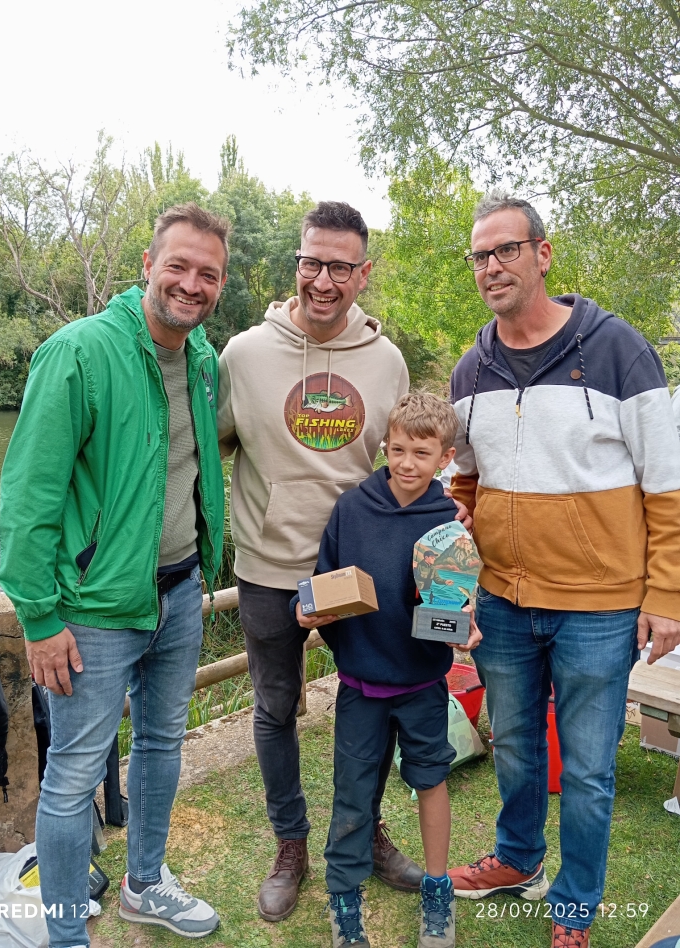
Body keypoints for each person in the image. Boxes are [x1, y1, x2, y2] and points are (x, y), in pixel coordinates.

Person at [217, 201, 471, 921]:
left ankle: (371, 832)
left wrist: (441, 530)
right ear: (296, 262)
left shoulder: (385, 360)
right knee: (275, 708)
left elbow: (406, 459)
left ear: (363, 274)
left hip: (367, 573)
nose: (322, 281)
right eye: (310, 262)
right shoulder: (243, 353)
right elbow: (210, 449)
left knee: (375, 699)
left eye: (339, 267)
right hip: (271, 569)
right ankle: (291, 845)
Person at [447, 190, 680, 948]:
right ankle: (517, 859)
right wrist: (457, 551)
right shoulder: (469, 370)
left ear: (543, 254)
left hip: (599, 605)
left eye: (506, 249)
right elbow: (466, 483)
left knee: (585, 771)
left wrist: (667, 592)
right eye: (480, 255)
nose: (492, 266)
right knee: (514, 747)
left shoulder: (618, 349)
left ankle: (575, 904)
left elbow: (667, 484)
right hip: (505, 598)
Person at [0, 203, 229, 946]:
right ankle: (67, 933)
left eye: (209, 274)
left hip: (180, 590)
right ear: (148, 264)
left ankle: (144, 883)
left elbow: (191, 471)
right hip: (93, 609)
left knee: (162, 743)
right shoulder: (78, 352)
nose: (192, 285)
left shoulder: (202, 360)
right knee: (72, 775)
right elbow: (29, 495)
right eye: (180, 266)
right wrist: (38, 616)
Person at [293, 393, 482, 948]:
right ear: (384, 446)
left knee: (431, 780)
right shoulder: (351, 508)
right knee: (351, 795)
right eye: (397, 449)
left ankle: (438, 892)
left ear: (445, 457)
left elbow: (459, 604)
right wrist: (303, 610)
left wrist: (467, 627)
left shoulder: (450, 520)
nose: (406, 463)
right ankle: (344, 903)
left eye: (421, 453)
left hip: (424, 685)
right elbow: (319, 583)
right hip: (358, 688)